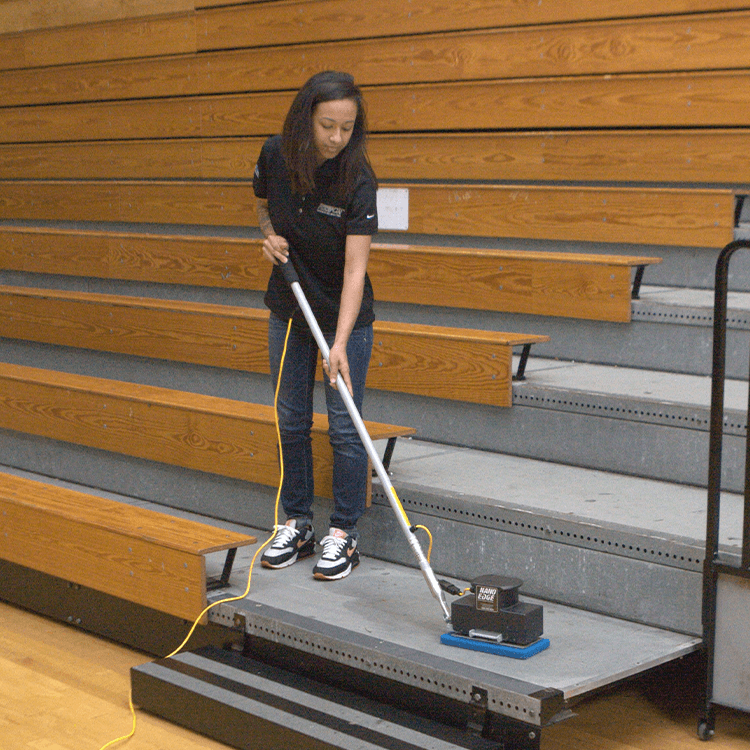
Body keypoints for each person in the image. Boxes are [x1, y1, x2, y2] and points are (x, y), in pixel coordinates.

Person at [253, 71, 378, 581]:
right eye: (328, 125)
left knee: (345, 429)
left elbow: (356, 269)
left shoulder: (357, 178)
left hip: (343, 315)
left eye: (347, 128)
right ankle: (298, 522)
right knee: (291, 420)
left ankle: (343, 533)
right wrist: (269, 238)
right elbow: (262, 206)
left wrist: (342, 341)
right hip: (290, 307)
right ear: (306, 118)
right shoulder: (274, 154)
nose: (336, 138)